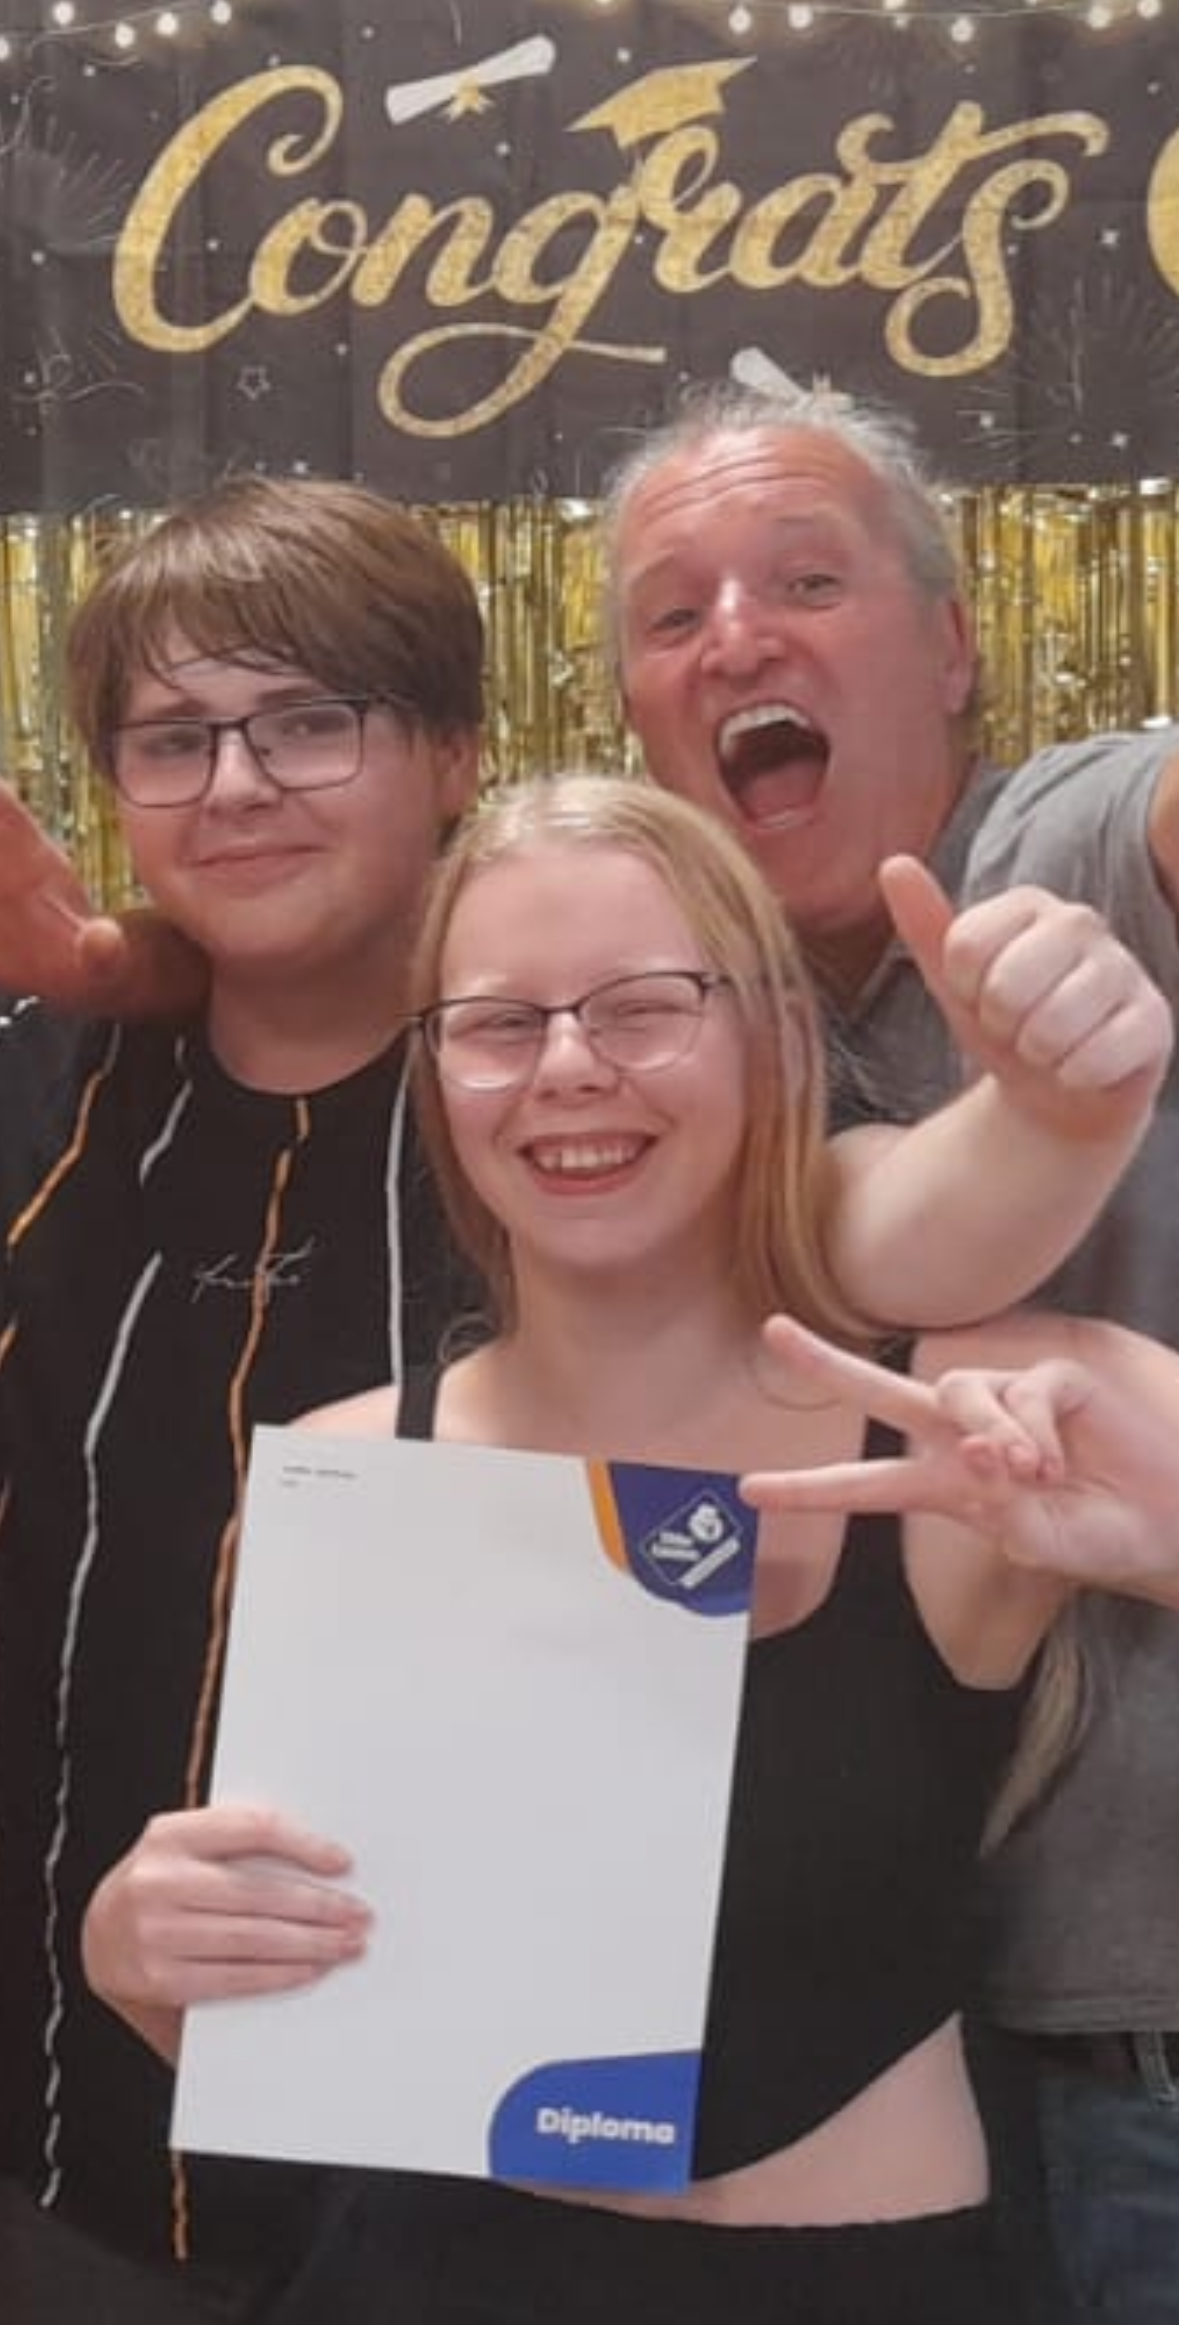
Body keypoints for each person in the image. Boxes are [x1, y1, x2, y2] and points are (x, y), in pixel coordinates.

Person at [2, 477, 1166, 2325]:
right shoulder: (337, 1441)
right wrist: (152, 1957)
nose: (567, 1071)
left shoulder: (946, 1407)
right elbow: (320, 1970)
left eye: (641, 1006)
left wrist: (1064, 1117)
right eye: (500, 1022)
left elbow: (915, 1213)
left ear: (768, 1036)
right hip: (315, 2232)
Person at [603, 382, 1179, 2325]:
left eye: (805, 581)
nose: (734, 640)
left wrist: (1076, 1052)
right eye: (671, 614)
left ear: (951, 648)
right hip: (926, 2039)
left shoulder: (1065, 841)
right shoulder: (701, 1031)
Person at [0, 474, 486, 2324]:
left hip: (492, 2171)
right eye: (172, 740)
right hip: (60, 2157)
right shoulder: (45, 1096)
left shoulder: (581, 1100)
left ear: (453, 754)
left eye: (306, 722)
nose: (234, 786)